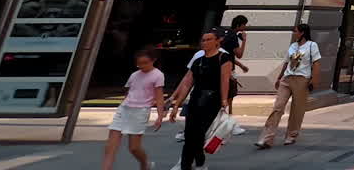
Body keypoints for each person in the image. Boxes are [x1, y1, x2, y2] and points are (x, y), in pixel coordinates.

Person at [168, 29, 231, 170]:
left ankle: (194, 162)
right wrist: (176, 104)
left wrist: (224, 100)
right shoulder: (198, 60)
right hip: (196, 99)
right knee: (190, 134)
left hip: (212, 100)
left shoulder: (223, 58)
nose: (205, 42)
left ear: (217, 41)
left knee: (198, 134)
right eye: (203, 40)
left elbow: (224, 80)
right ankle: (192, 163)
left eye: (209, 39)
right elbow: (187, 83)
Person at [254, 23, 321, 149]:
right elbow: (286, 63)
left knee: (297, 110)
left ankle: (291, 135)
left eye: (295, 31)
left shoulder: (312, 46)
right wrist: (279, 78)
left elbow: (317, 64)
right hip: (287, 79)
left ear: (302, 33)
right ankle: (266, 138)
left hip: (302, 80)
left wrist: (314, 81)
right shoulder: (293, 46)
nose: (294, 33)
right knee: (277, 108)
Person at [101, 47, 165, 170]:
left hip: (140, 112)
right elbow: (129, 92)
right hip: (124, 109)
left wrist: (160, 115)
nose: (141, 66)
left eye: (145, 63)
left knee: (134, 148)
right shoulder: (134, 75)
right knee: (110, 146)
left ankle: (144, 164)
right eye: (139, 63)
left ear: (153, 60)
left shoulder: (158, 75)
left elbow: (159, 96)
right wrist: (123, 104)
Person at [221, 15, 250, 136]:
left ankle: (229, 120)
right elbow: (239, 54)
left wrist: (241, 66)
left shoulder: (226, 34)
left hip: (224, 67)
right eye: (244, 25)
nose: (245, 28)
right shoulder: (233, 36)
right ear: (239, 25)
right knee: (229, 95)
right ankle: (228, 121)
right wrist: (244, 40)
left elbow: (228, 55)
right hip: (228, 70)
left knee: (229, 96)